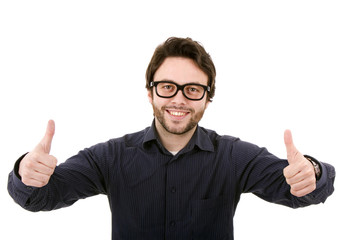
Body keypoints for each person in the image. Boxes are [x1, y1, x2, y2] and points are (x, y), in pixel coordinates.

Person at [8, 37, 335, 240]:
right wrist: (27, 171)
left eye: (193, 89)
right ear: (150, 93)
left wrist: (313, 173)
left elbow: (301, 193)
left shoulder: (235, 156)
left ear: (208, 98)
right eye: (167, 87)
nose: (179, 99)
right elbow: (37, 198)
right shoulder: (109, 157)